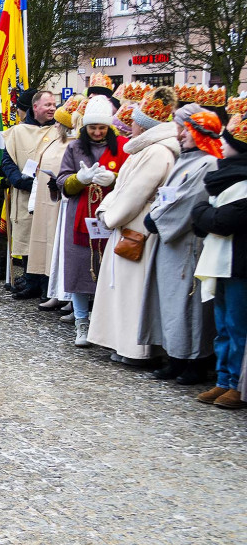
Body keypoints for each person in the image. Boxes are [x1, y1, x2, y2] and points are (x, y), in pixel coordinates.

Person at [88, 87, 180, 364]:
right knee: (125, 287)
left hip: (138, 226)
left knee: (133, 289)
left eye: (136, 121)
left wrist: (110, 215)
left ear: (144, 124)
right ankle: (123, 343)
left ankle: (135, 348)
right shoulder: (150, 149)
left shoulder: (156, 152)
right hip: (134, 223)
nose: (131, 124)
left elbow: (136, 193)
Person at [139, 107, 221, 383]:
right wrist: (156, 214)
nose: (181, 134)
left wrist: (157, 220)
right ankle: (175, 357)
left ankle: (194, 361)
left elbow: (190, 201)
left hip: (187, 243)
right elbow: (168, 196)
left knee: (189, 303)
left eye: (186, 129)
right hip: (171, 242)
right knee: (172, 302)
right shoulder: (186, 160)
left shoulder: (207, 163)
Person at [54, 96, 128, 347]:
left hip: (112, 216)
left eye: (102, 128)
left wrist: (115, 179)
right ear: (85, 127)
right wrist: (79, 179)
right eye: (93, 128)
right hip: (80, 214)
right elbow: (62, 182)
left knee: (109, 269)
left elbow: (132, 179)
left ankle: (103, 323)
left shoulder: (122, 146)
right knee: (79, 268)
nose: (97, 132)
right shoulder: (75, 148)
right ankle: (81, 321)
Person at [191, 115, 247, 409]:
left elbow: (222, 221)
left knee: (237, 326)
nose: (221, 144)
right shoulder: (224, 178)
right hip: (222, 260)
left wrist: (202, 211)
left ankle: (236, 383)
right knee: (223, 324)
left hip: (238, 262)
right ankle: (224, 379)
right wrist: (204, 214)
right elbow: (204, 222)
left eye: (228, 139)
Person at [0, 90, 56, 291]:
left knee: (46, 237)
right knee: (26, 235)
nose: (52, 108)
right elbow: (7, 160)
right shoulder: (17, 132)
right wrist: (17, 180)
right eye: (48, 104)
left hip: (49, 194)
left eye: (53, 104)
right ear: (35, 107)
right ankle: (30, 280)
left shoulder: (59, 131)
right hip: (24, 192)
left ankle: (45, 284)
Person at [27, 94, 80, 310]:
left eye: (59, 122)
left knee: (62, 249)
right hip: (46, 202)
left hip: (62, 202)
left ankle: (69, 296)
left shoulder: (73, 144)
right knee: (50, 248)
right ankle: (54, 291)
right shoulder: (54, 141)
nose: (55, 125)